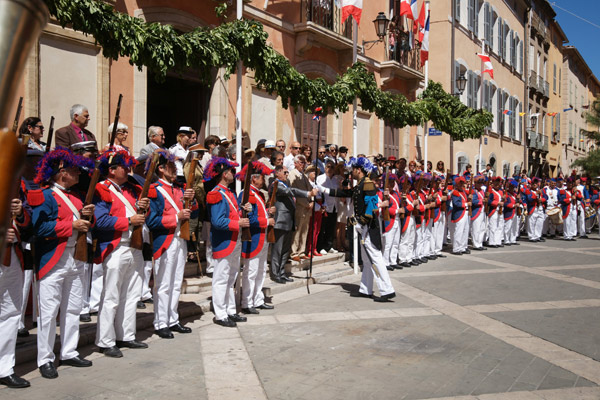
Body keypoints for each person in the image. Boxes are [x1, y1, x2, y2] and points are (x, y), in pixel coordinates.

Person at [29, 148, 95, 379]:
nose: (78, 173)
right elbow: (38, 229)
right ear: (61, 173)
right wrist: (72, 226)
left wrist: (88, 215)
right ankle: (45, 358)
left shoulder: (76, 196)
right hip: (53, 258)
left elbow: (86, 223)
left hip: (75, 256)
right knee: (48, 312)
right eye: (74, 170)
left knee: (73, 307)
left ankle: (69, 351)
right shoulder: (44, 195)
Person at [93, 150, 150, 358]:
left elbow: (143, 216)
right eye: (123, 167)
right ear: (111, 170)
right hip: (115, 245)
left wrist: (145, 208)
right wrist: (128, 222)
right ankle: (106, 340)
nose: (128, 170)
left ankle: (126, 335)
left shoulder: (132, 189)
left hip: (134, 245)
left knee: (132, 294)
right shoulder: (101, 189)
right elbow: (100, 221)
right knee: (111, 295)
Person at [318, 157, 396, 302]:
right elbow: (346, 193)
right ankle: (365, 289)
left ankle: (387, 289)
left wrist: (360, 221)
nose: (351, 171)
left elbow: (372, 207)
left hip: (368, 227)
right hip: (363, 227)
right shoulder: (361, 184)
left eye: (353, 169)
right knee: (367, 260)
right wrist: (323, 189)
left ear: (358, 170)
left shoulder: (367, 185)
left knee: (375, 258)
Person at [146, 150, 195, 338]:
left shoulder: (179, 189)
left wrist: (191, 199)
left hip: (180, 238)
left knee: (176, 283)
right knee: (163, 284)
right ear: (160, 168)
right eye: (171, 166)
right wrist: (176, 216)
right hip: (165, 240)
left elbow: (193, 210)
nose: (174, 169)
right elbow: (152, 222)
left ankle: (173, 319)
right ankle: (160, 322)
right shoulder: (154, 190)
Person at [204, 157, 248, 327]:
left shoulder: (230, 193)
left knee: (231, 277)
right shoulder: (215, 193)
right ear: (223, 174)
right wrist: (238, 223)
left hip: (234, 240)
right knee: (221, 278)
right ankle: (220, 314)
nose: (233, 173)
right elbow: (217, 221)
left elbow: (232, 213)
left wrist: (244, 211)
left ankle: (230, 310)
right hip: (224, 241)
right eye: (230, 171)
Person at [235, 161, 275, 314]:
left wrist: (268, 211)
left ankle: (257, 299)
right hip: (254, 237)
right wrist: (267, 221)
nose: (263, 180)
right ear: (254, 179)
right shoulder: (248, 194)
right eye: (261, 177)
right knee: (251, 271)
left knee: (260, 270)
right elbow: (249, 219)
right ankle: (247, 301)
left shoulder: (257, 194)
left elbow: (257, 213)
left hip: (262, 236)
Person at [0, 196, 31, 388]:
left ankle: (5, 368)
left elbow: (29, 226)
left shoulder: (11, 184)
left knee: (10, 314)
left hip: (12, 257)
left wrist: (20, 213)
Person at [269, 165, 316, 284]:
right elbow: (291, 191)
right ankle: (275, 274)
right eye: (284, 172)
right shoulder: (276, 184)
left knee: (285, 251)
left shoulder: (285, 184)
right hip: (280, 221)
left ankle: (282, 272)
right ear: (277, 173)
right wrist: (308, 194)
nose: (286, 174)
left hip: (288, 221)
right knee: (277, 250)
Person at [289, 155, 313, 261]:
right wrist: (305, 204)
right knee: (297, 229)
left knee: (305, 229)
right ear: (295, 163)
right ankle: (294, 252)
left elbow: (310, 189)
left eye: (304, 163)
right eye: (301, 162)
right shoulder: (292, 174)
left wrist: (311, 201)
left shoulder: (303, 175)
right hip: (299, 206)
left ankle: (302, 250)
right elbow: (294, 191)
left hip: (307, 206)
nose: (303, 164)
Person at [316, 160, 338, 254]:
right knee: (322, 228)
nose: (330, 169)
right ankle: (320, 247)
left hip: (334, 206)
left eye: (332, 167)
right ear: (325, 168)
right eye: (328, 167)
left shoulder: (336, 179)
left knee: (331, 227)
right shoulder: (320, 178)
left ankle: (328, 246)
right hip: (325, 206)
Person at [449, 176, 470, 255]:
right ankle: (456, 248)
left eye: (462, 183)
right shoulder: (455, 192)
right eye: (460, 183)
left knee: (465, 230)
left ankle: (463, 246)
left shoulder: (464, 192)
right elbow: (456, 203)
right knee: (459, 231)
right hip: (459, 213)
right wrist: (466, 204)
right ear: (456, 184)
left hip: (465, 212)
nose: (462, 185)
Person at [523, 177, 547, 242]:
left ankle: (537, 236)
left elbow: (546, 197)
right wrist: (536, 195)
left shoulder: (541, 191)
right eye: (533, 183)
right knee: (531, 223)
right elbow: (529, 199)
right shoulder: (529, 191)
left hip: (540, 208)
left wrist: (541, 199)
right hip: (533, 208)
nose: (534, 184)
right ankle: (531, 236)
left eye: (536, 183)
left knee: (540, 223)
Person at [470, 175, 487, 251]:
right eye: (479, 183)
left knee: (482, 228)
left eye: (481, 183)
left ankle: (480, 243)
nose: (480, 184)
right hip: (476, 211)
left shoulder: (482, 191)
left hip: (482, 211)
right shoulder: (473, 191)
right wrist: (481, 201)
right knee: (476, 228)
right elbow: (473, 201)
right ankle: (476, 244)